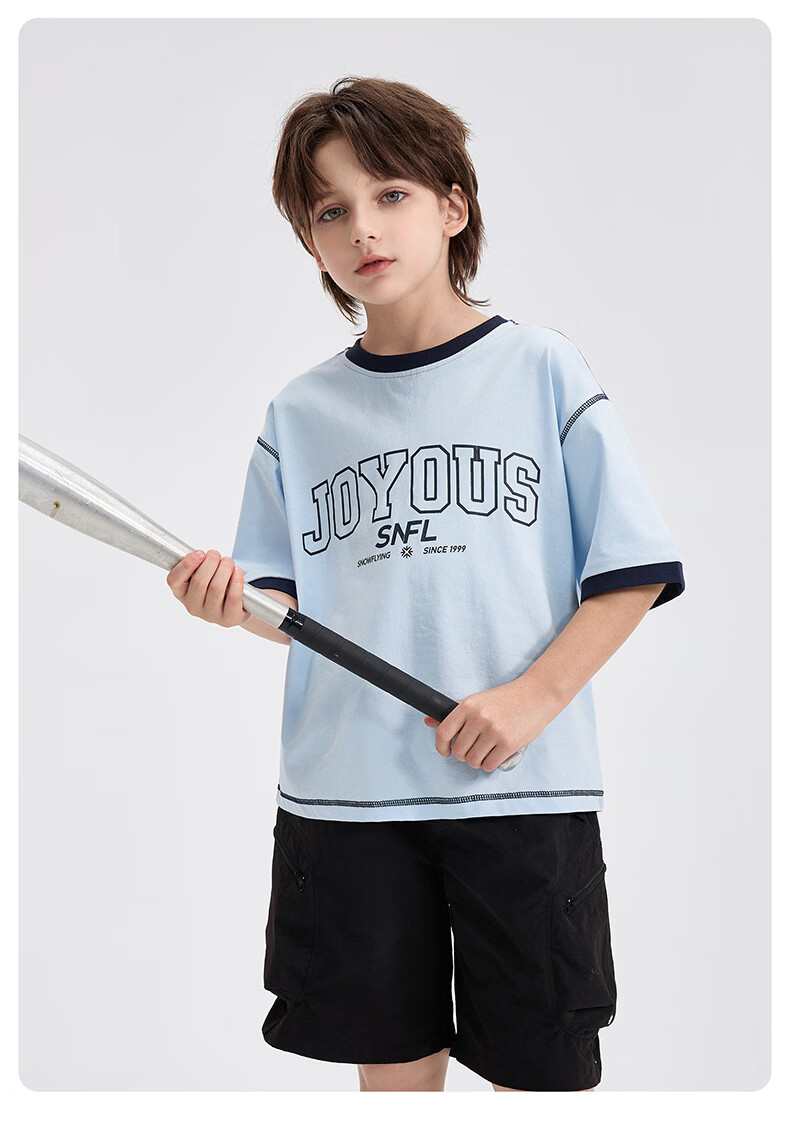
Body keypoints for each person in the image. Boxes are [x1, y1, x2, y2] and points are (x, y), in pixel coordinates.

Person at [166, 76, 685, 1092]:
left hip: (518, 786)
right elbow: (286, 609)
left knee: (539, 1070)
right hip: (348, 797)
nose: (363, 227)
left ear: (452, 206)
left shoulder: (540, 370)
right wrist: (229, 601)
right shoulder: (300, 413)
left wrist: (531, 698)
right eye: (330, 210)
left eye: (390, 194)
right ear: (309, 242)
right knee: (393, 1073)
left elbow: (628, 571)